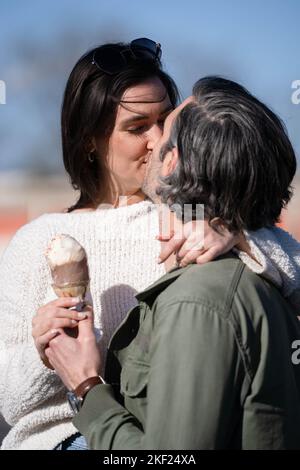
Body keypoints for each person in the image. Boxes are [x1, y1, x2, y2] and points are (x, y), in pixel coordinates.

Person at [0, 39, 299, 450]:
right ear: (90, 139)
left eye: (164, 121)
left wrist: (242, 237)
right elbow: (9, 403)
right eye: (137, 127)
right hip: (62, 439)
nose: (158, 140)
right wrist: (44, 353)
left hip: (155, 439)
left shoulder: (188, 214)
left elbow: (289, 280)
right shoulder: (35, 241)